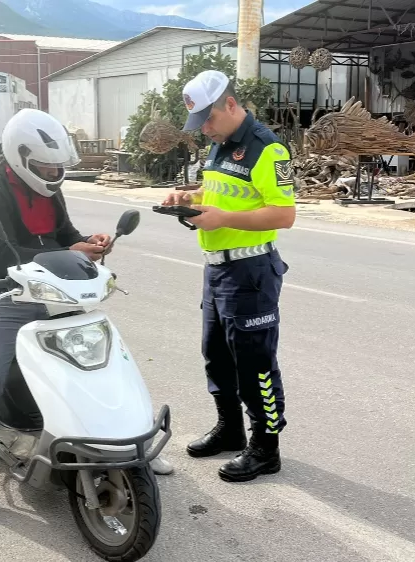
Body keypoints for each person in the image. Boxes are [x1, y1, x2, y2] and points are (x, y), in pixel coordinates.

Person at [0, 109, 171, 526]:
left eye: (57, 165)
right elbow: (2, 255)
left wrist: (86, 243)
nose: (53, 171)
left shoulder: (48, 190)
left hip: (49, 289)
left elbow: (63, 233)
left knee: (102, 354)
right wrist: (70, 254)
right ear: (20, 156)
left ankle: (126, 446)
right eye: (46, 165)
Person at [162, 70, 296, 483]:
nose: (204, 128)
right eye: (199, 122)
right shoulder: (218, 146)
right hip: (217, 269)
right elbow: (220, 195)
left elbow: (283, 214)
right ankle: (231, 429)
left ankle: (265, 447)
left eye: (209, 119)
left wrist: (223, 218)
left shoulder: (268, 149)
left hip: (250, 270)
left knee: (255, 363)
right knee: (216, 355)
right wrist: (190, 198)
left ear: (232, 105)